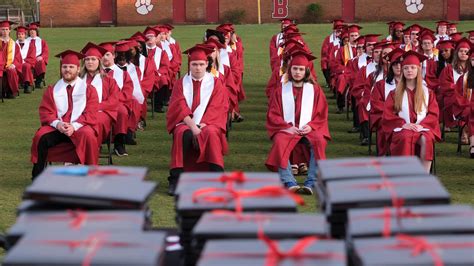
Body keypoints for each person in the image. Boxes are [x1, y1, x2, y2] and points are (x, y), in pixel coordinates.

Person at [166, 45, 229, 195]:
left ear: (207, 64)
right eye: (194, 64)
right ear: (190, 65)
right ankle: (176, 179)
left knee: (212, 133)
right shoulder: (180, 83)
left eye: (201, 64)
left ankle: (217, 176)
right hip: (185, 122)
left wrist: (203, 124)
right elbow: (179, 107)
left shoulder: (216, 83)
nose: (198, 68)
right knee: (182, 133)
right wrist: (194, 127)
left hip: (209, 122)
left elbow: (217, 108)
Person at [266, 50, 330, 195]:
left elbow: (321, 114)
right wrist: (286, 127)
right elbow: (273, 114)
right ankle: (288, 181)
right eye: (295, 69)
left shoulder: (315, 90)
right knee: (280, 141)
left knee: (319, 141)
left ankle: (312, 182)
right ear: (290, 70)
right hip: (287, 129)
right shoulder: (280, 90)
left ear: (306, 71)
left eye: (301, 69)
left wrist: (311, 126)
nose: (297, 72)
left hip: (309, 129)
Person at [30, 50, 99, 179]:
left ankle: (90, 173)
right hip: (59, 126)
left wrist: (74, 126)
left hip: (80, 126)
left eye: (71, 67)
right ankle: (37, 176)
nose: (67, 70)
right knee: (40, 136)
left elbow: (91, 113)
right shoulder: (52, 89)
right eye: (65, 67)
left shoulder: (89, 89)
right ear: (61, 69)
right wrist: (58, 124)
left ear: (78, 69)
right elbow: (46, 111)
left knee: (88, 135)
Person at [382, 50, 440, 172]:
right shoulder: (394, 93)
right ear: (402, 71)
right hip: (403, 128)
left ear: (418, 70)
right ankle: (405, 172)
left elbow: (434, 114)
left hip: (422, 128)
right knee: (405, 137)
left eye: (413, 68)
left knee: (426, 139)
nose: (409, 70)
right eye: (406, 68)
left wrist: (422, 126)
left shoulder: (428, 93)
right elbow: (388, 115)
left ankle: (424, 175)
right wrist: (403, 124)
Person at [80, 42, 119, 147]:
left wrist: (94, 107)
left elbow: (113, 101)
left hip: (101, 112)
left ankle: (93, 148)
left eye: (93, 59)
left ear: (99, 61)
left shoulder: (109, 80)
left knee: (96, 121)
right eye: (87, 59)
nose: (90, 62)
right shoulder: (78, 79)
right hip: (79, 111)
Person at [100, 41, 135, 156]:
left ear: (114, 56)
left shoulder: (123, 74)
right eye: (102, 55)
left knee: (122, 112)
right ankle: (97, 142)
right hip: (98, 103)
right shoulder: (94, 73)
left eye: (108, 54)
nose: (105, 57)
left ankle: (119, 144)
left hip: (117, 103)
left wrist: (112, 101)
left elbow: (127, 92)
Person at [370, 48, 404, 156]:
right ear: (391, 67)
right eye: (395, 64)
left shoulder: (414, 85)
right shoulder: (381, 85)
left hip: (407, 118)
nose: (398, 67)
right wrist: (392, 113)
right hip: (386, 117)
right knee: (384, 125)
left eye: (401, 64)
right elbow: (376, 103)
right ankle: (385, 154)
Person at [439, 38, 472, 137]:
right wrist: (459, 90)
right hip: (453, 96)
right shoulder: (449, 68)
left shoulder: (472, 69)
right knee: (460, 103)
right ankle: (464, 131)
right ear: (457, 53)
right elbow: (444, 85)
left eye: (466, 52)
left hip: (469, 96)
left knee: (470, 103)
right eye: (461, 51)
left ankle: (466, 130)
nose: (463, 53)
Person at [0, 20, 22, 99]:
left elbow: (18, 57)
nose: (5, 31)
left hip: (10, 65)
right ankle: (1, 92)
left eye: (6, 29)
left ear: (9, 30)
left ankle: (12, 92)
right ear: (0, 30)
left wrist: (13, 64)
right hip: (0, 65)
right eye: (3, 29)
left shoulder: (14, 44)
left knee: (11, 71)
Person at [321, 19, 344, 87]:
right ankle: (330, 82)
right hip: (331, 60)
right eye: (337, 29)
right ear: (333, 30)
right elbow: (324, 52)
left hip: (343, 60)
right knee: (324, 63)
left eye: (340, 29)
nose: (339, 31)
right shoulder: (328, 39)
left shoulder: (345, 39)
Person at [27, 22, 49, 89]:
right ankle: (27, 82)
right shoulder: (26, 41)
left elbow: (46, 51)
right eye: (30, 30)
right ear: (29, 32)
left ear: (36, 31)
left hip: (38, 58)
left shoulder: (42, 41)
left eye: (34, 30)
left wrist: (41, 57)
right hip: (28, 59)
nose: (32, 31)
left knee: (41, 62)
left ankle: (38, 81)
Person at [15, 26, 35, 94]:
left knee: (26, 66)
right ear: (17, 35)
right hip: (16, 62)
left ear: (25, 35)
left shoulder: (30, 45)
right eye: (19, 34)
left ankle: (27, 85)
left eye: (22, 34)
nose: (20, 36)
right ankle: (16, 85)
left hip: (26, 62)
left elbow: (32, 57)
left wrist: (24, 61)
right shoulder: (13, 44)